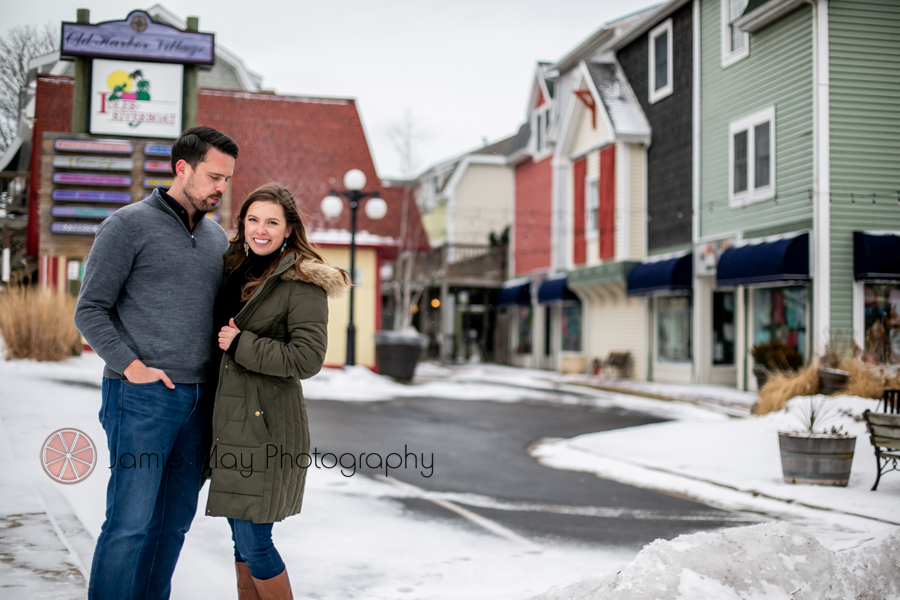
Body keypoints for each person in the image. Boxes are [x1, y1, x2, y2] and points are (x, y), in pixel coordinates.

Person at [74, 126, 239, 600]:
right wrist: (133, 368)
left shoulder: (214, 240)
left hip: (198, 402)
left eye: (227, 180)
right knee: (130, 524)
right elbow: (89, 309)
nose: (220, 189)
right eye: (213, 176)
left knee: (171, 528)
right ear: (181, 168)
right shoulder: (126, 226)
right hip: (140, 398)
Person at [206, 183, 350, 599]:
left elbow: (307, 359)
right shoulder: (233, 268)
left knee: (254, 540)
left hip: (264, 425)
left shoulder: (301, 281)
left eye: (272, 222)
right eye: (253, 220)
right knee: (240, 538)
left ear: (288, 229)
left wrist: (241, 343)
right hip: (227, 421)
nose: (261, 230)